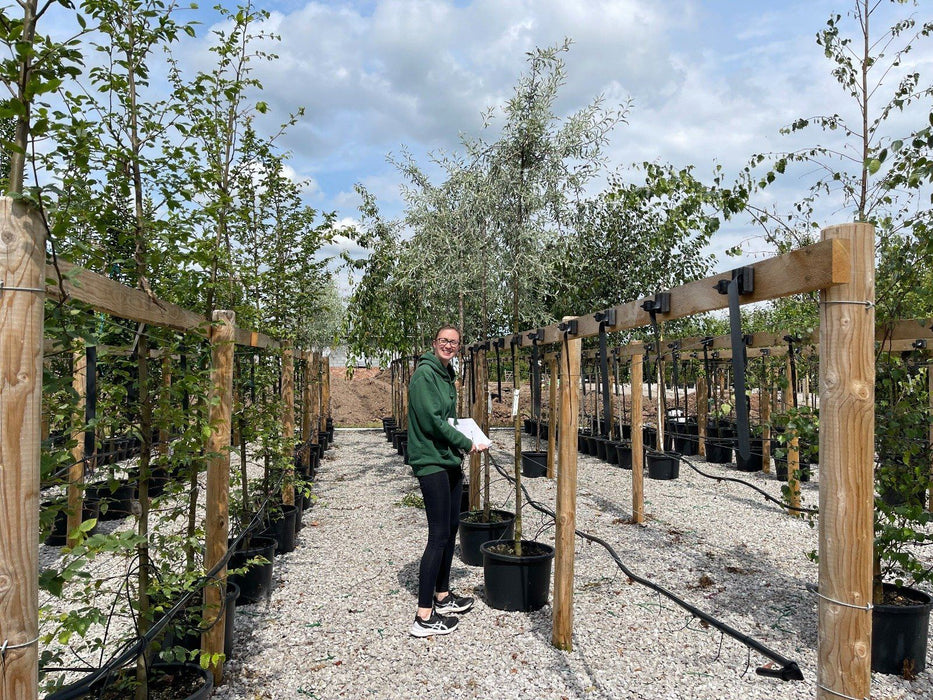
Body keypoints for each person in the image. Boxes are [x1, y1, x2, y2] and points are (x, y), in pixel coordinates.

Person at [406, 324, 489, 637]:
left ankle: (442, 597)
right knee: (438, 535)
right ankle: (423, 617)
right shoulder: (424, 375)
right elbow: (432, 421)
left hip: (448, 459)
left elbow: (449, 419)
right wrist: (467, 442)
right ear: (434, 342)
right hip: (430, 461)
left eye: (454, 342)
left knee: (452, 527)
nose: (449, 346)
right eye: (444, 340)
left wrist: (467, 434)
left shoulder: (446, 374)